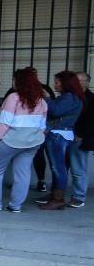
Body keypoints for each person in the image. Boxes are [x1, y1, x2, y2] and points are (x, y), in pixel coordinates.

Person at [0, 68, 47, 213]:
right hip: (32, 143)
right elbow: (43, 126)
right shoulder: (41, 100)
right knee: (23, 173)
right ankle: (15, 206)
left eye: (14, 79)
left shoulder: (13, 97)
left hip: (10, 141)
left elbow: (4, 122)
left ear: (19, 81)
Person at [38, 71, 84, 210]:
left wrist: (45, 98)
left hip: (58, 136)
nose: (55, 84)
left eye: (57, 82)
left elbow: (56, 111)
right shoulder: (71, 97)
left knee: (58, 168)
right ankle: (55, 195)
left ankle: (58, 199)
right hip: (62, 134)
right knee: (58, 168)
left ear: (65, 83)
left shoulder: (69, 97)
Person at [67, 72, 93, 208]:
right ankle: (56, 194)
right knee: (61, 167)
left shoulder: (91, 98)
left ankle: (79, 197)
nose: (77, 82)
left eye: (80, 80)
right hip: (66, 136)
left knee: (78, 168)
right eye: (75, 80)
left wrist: (81, 135)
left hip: (79, 138)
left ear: (87, 83)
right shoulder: (71, 96)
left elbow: (91, 121)